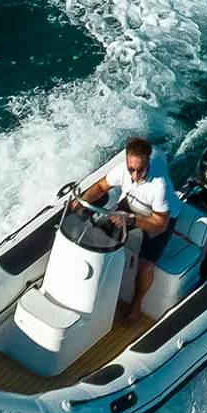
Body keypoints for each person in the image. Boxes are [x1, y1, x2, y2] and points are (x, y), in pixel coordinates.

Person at [77, 136, 180, 322]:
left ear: (148, 162)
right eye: (131, 169)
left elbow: (160, 224)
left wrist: (131, 221)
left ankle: (136, 304)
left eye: (140, 170)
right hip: (131, 206)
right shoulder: (122, 171)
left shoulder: (160, 185)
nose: (134, 176)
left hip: (158, 217)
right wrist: (78, 205)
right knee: (98, 235)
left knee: (145, 264)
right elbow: (100, 187)